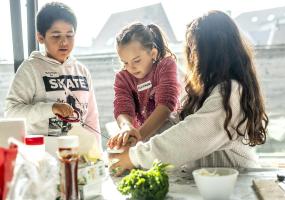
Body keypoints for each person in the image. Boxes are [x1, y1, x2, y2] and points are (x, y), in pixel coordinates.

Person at [109, 10, 268, 176]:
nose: (192, 57)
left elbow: (189, 137)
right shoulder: (205, 90)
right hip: (211, 182)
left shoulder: (232, 92)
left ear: (214, 51)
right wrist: (134, 139)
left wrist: (134, 156)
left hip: (236, 183)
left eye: (195, 49)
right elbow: (175, 126)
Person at [5, 2, 101, 148]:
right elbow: (12, 113)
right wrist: (51, 108)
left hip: (79, 153)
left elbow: (92, 119)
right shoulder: (31, 68)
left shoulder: (82, 71)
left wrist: (96, 151)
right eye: (56, 36)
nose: (64, 42)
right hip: (43, 154)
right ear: (40, 37)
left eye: (70, 35)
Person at [107, 23, 180, 149]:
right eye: (125, 62)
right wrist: (126, 127)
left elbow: (166, 105)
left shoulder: (166, 65)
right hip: (142, 141)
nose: (131, 67)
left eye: (136, 61)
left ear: (153, 53)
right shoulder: (123, 77)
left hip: (171, 137)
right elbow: (122, 108)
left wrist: (138, 135)